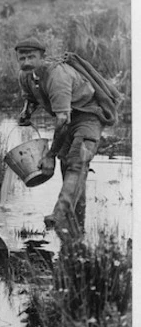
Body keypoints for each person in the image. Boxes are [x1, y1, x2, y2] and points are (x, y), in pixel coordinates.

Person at [14, 38, 108, 231]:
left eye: (31, 57)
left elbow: (62, 120)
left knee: (77, 162)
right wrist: (27, 112)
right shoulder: (26, 76)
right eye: (22, 58)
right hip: (68, 118)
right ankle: (75, 233)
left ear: (43, 57)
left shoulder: (57, 76)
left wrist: (50, 155)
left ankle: (60, 214)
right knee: (69, 170)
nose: (26, 62)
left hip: (88, 117)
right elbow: (31, 98)